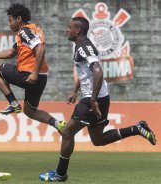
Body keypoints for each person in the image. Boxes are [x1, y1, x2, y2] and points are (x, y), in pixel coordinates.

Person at [39, 17, 156, 182]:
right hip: (101, 98)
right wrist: (74, 90)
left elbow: (98, 71)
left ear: (78, 30)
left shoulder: (83, 48)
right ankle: (136, 129)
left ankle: (60, 174)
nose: (67, 29)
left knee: (66, 133)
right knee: (98, 140)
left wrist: (92, 100)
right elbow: (87, 72)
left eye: (69, 27)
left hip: (91, 101)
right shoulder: (82, 46)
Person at [0, 3, 65, 131]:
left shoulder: (25, 32)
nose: (9, 24)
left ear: (19, 19)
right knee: (30, 111)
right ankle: (58, 124)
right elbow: (11, 53)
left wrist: (34, 73)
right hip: (42, 78)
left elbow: (40, 48)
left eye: (10, 20)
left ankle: (13, 103)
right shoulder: (29, 32)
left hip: (29, 75)